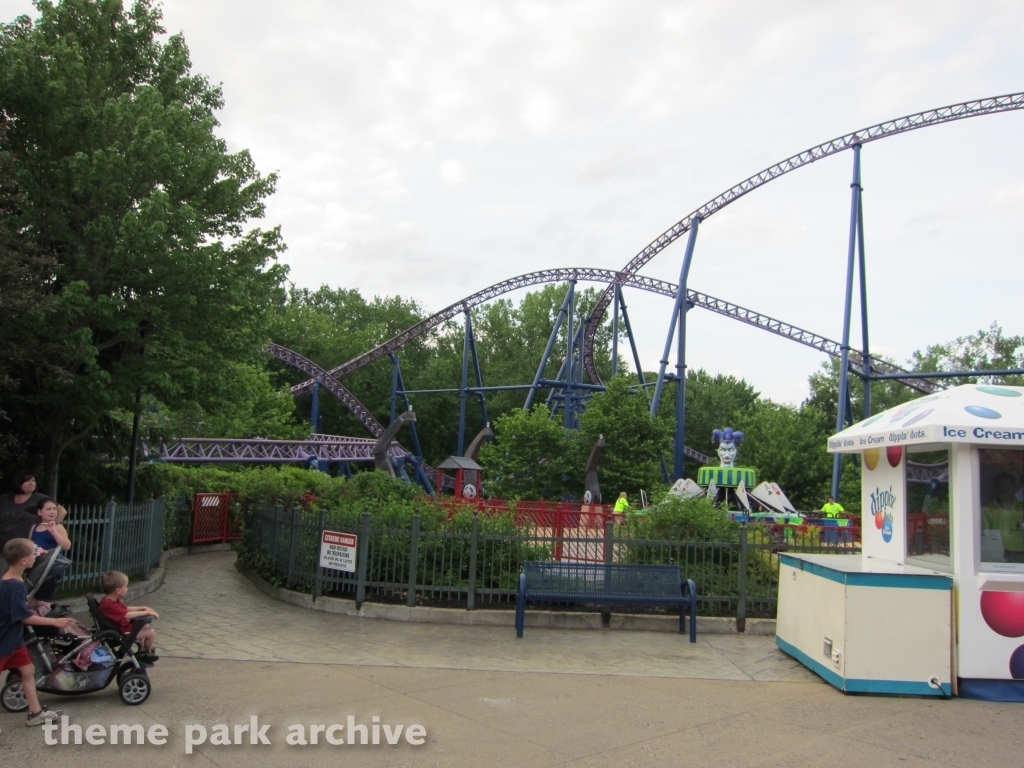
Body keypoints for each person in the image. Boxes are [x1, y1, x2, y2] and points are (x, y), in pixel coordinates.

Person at [1, 538, 76, 726]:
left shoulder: (12, 580)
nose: (36, 555)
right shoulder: (14, 586)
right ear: (23, 560)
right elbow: (24, 617)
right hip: (4, 641)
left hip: (13, 640)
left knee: (28, 670)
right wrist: (54, 621)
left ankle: (35, 713)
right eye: (33, 553)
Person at [98, 571, 159, 662]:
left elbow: (126, 609)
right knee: (151, 632)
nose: (127, 589)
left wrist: (142, 608)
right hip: (122, 631)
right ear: (118, 590)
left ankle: (142, 649)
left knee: (145, 625)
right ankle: (147, 651)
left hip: (121, 628)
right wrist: (148, 613)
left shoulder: (110, 601)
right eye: (126, 586)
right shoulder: (110, 605)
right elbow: (127, 615)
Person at [0, 472, 66, 551]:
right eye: (27, 481)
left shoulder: (40, 498)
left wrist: (50, 526)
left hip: (26, 547)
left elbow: (62, 511)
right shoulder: (4, 499)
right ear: (18, 482)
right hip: (4, 545)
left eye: (33, 481)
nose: (31, 483)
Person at [29, 499, 72, 602]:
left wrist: (53, 532)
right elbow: (29, 545)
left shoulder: (59, 527)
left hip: (51, 566)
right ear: (40, 512)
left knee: (44, 596)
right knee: (33, 595)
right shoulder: (34, 527)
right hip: (36, 565)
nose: (52, 512)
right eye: (48, 509)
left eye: (54, 509)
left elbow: (66, 546)